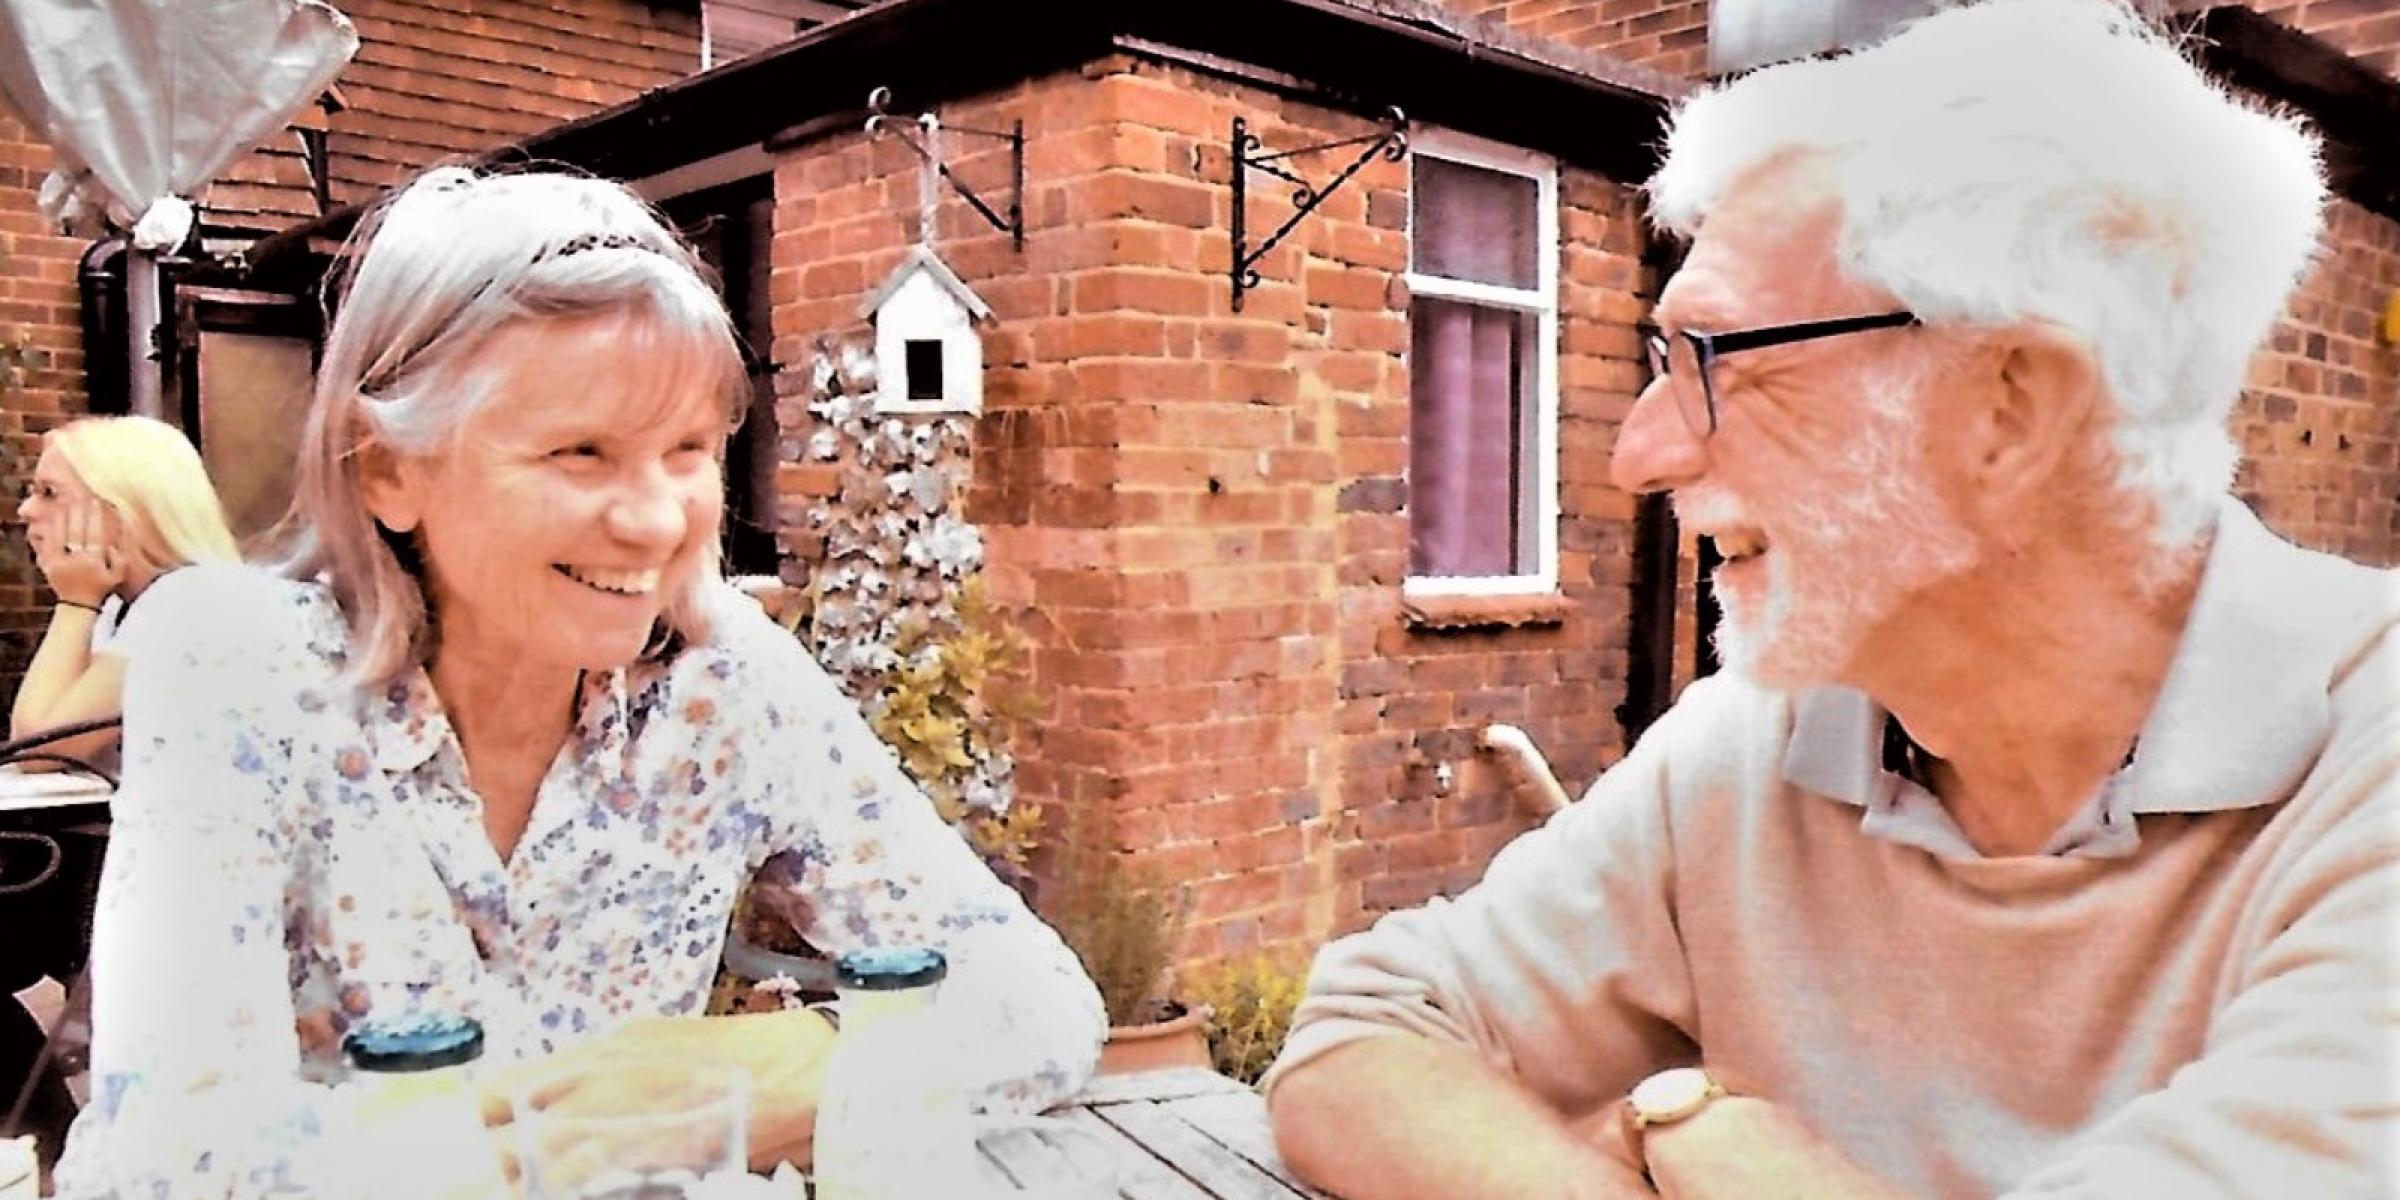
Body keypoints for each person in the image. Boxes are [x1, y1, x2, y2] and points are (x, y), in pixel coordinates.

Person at [1266, 3, 2397, 1199]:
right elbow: (1360, 1038)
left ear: (2013, 405)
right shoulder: (1763, 737)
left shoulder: (2369, 765)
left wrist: (1697, 1139)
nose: (1637, 455)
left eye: (1713, 361)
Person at [50, 166, 1105, 1197]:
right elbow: (163, 1161)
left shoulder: (720, 678)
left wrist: (805, 1062)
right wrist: (576, 1140)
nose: (653, 522)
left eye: (687, 449)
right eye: (580, 453)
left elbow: (1042, 1007)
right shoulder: (240, 661)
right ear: (387, 469)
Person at [10, 415, 240, 770]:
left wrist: (75, 602)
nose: (26, 511)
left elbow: (40, 749)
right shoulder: (124, 608)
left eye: (49, 493)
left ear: (120, 509)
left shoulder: (190, 604)